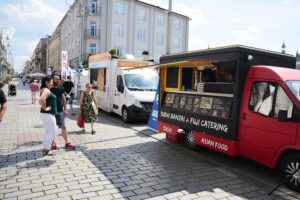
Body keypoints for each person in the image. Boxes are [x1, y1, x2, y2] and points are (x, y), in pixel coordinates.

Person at [50, 74, 76, 150]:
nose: (57, 80)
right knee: (53, 128)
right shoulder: (49, 89)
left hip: (61, 111)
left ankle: (67, 143)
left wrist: (65, 108)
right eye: (56, 79)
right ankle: (53, 143)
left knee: (64, 127)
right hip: (52, 112)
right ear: (52, 80)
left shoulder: (60, 88)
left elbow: (63, 98)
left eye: (58, 79)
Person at [39, 76, 58, 155]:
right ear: (46, 82)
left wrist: (44, 108)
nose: (52, 83)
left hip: (46, 114)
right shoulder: (46, 90)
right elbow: (41, 100)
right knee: (53, 132)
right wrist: (46, 108)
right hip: (48, 114)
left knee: (48, 132)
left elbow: (40, 100)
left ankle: (45, 147)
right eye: (51, 81)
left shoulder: (44, 89)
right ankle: (47, 149)